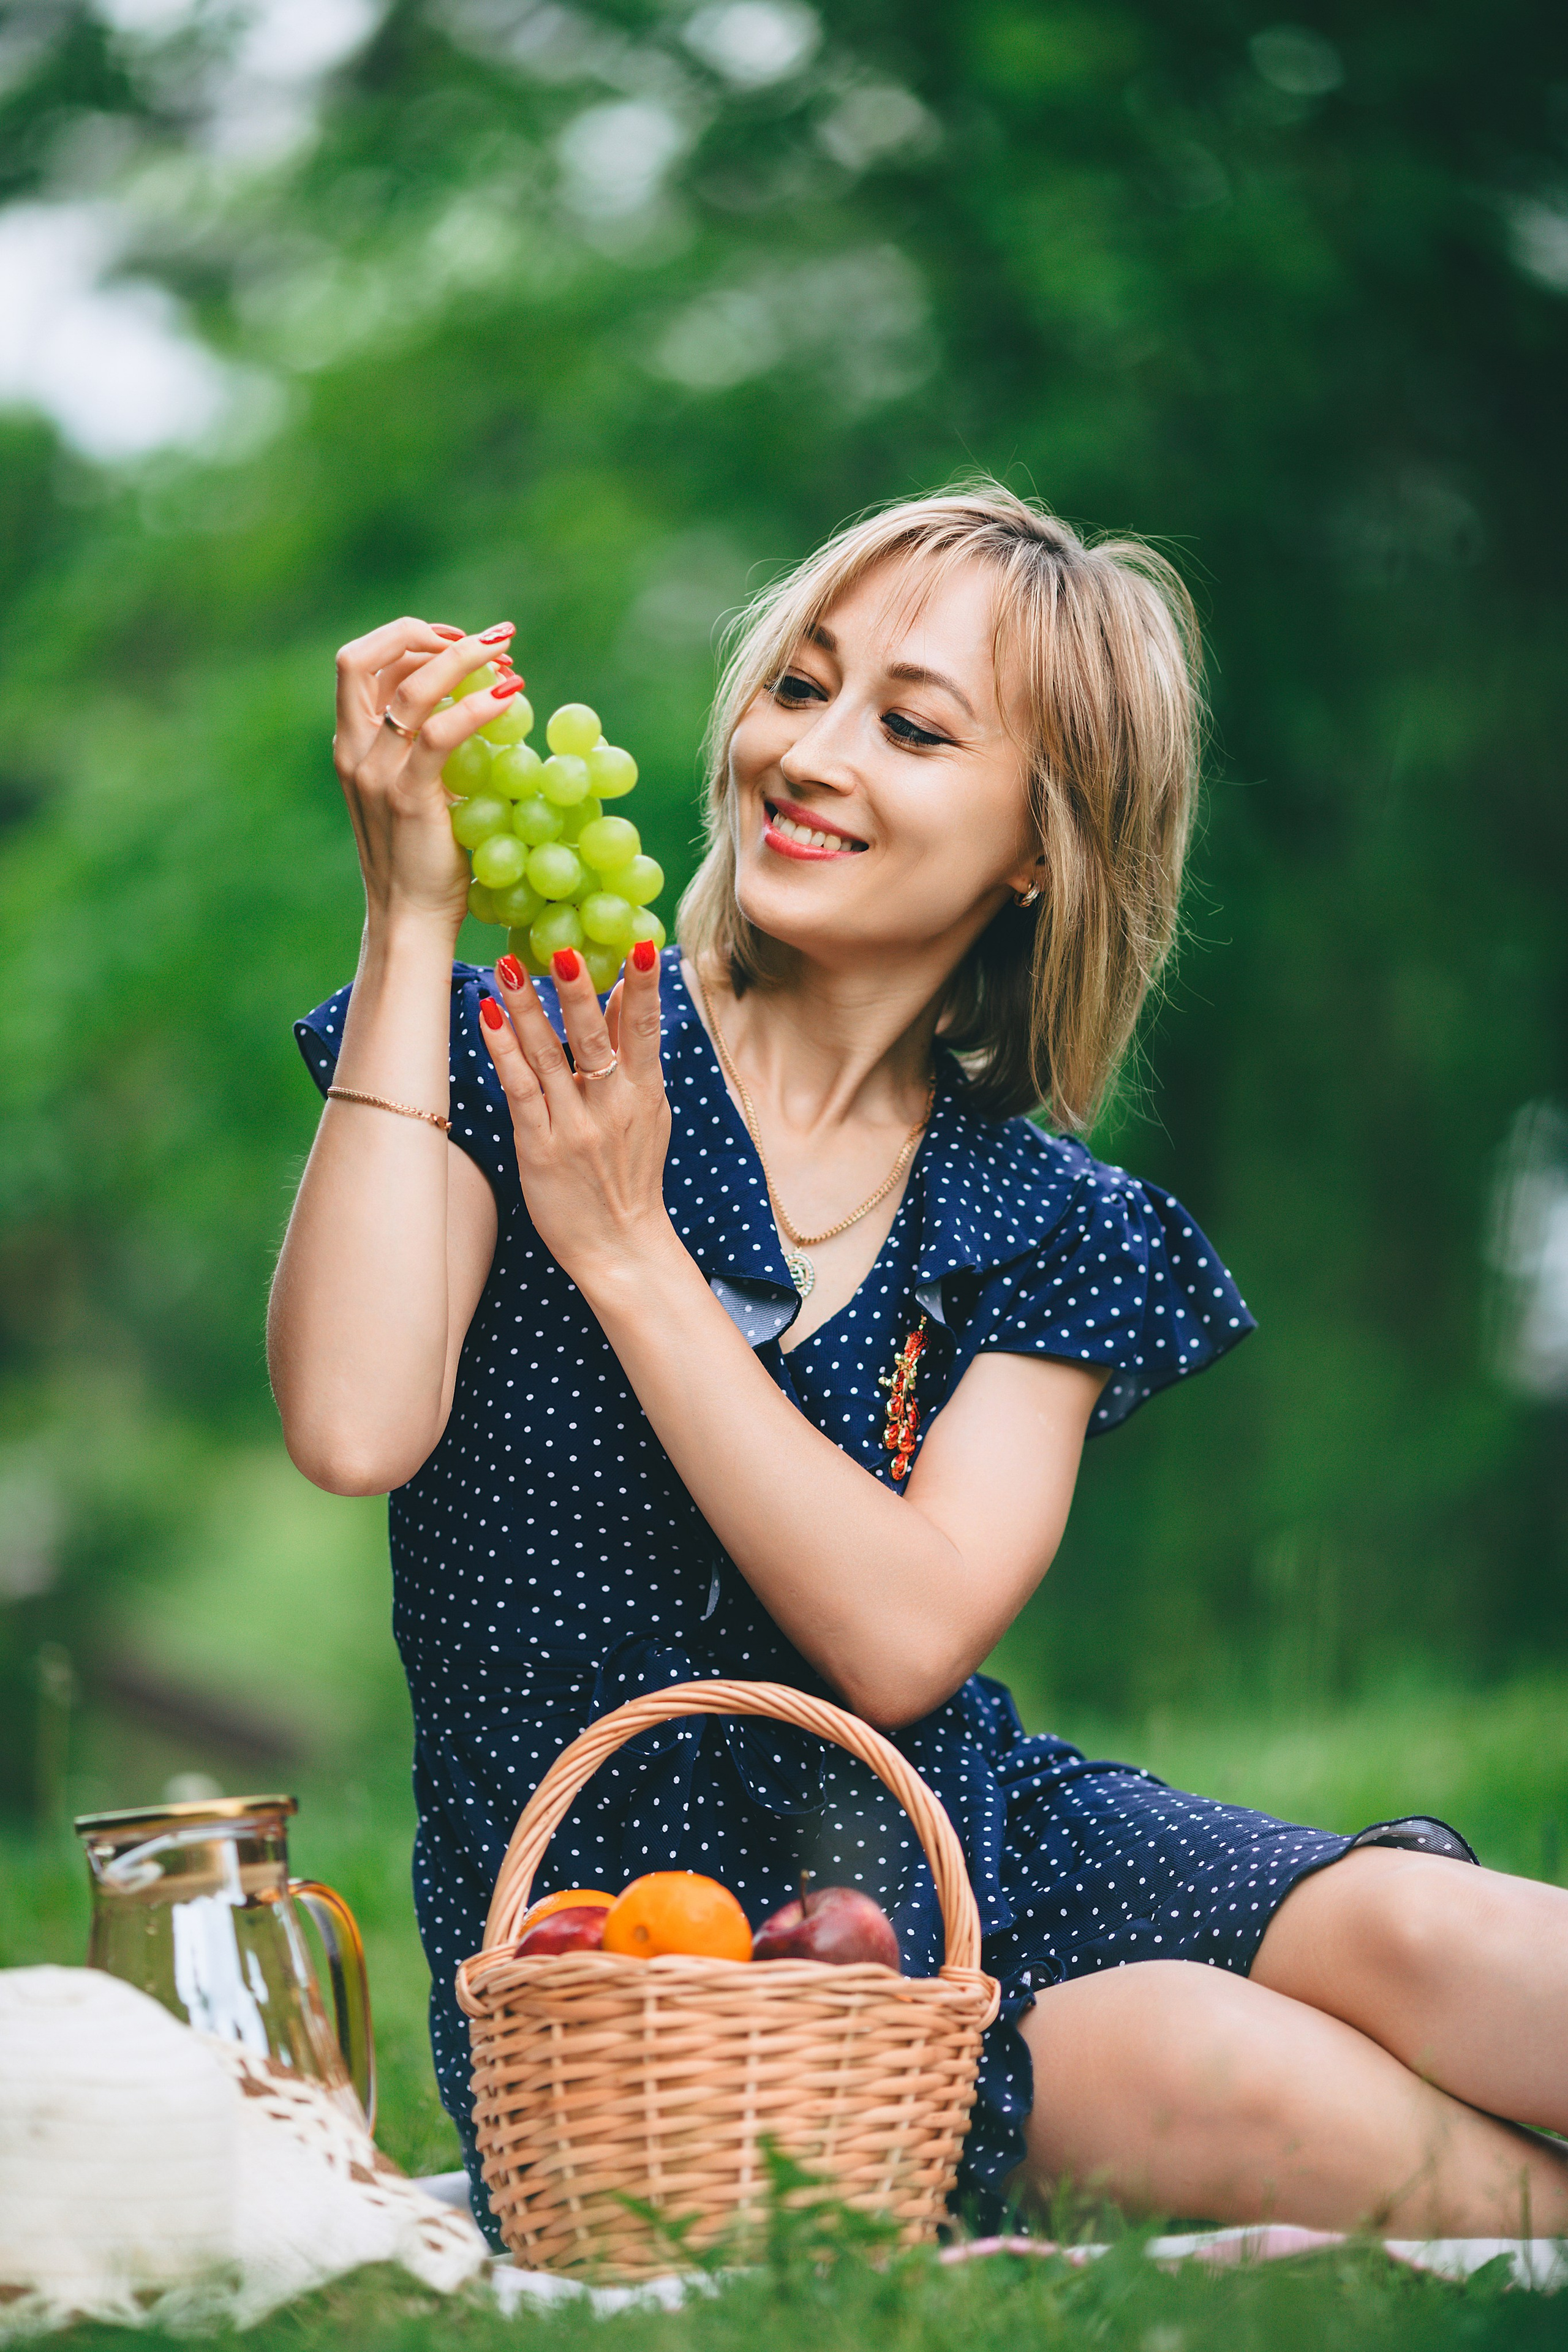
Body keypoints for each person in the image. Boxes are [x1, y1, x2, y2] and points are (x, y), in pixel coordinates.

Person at [269, 486, 1568, 2244]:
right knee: (1221, 2067)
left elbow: (904, 1635)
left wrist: (631, 1256)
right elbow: (352, 1423)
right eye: (800, 688)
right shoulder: (528, 1053)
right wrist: (411, 914)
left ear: (1040, 842)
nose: (811, 753)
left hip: (950, 1833)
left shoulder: (1048, 1220)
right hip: (661, 1971)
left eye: (911, 725)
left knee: (1454, 1938)